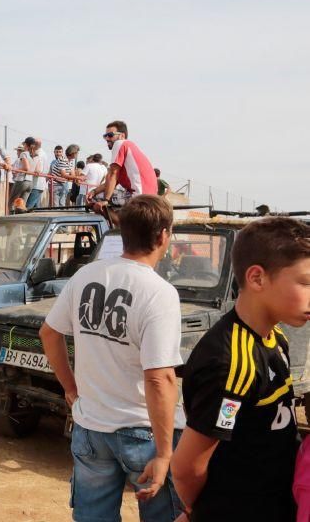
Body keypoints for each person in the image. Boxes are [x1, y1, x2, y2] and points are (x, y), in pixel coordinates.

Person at [40, 195, 185, 521]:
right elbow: (159, 378)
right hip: (141, 432)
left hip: (90, 427)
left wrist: (72, 390)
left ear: (122, 231)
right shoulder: (159, 292)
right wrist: (164, 453)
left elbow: (49, 334)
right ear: (163, 236)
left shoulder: (87, 275)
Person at [171, 218, 310, 522]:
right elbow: (187, 467)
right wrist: (199, 510)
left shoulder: (275, 337)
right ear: (258, 278)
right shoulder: (231, 364)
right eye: (306, 283)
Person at [86, 121, 158, 212]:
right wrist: (94, 191)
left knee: (95, 198)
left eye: (110, 135)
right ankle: (121, 223)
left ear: (122, 136)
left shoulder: (120, 143)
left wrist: (105, 200)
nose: (107, 138)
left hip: (139, 197)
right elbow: (110, 182)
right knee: (95, 194)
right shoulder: (130, 148)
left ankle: (120, 225)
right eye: (105, 136)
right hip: (150, 196)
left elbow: (113, 174)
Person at [8, 137, 38, 207]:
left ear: (26, 144)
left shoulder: (24, 154)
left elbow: (26, 168)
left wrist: (17, 171)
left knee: (12, 202)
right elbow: (36, 170)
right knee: (22, 205)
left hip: (22, 180)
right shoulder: (35, 155)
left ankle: (10, 217)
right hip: (30, 182)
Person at [25, 138, 47, 209]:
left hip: (37, 184)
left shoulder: (38, 154)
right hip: (38, 184)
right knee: (36, 207)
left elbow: (38, 170)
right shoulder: (42, 153)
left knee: (29, 206)